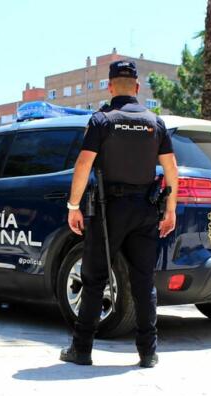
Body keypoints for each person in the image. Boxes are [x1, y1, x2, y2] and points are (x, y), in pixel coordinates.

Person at [60, 60, 179, 368]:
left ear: (110, 86)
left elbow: (84, 165)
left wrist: (73, 206)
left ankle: (82, 349)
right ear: (137, 88)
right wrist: (171, 209)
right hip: (145, 210)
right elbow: (171, 170)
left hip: (108, 208)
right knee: (143, 282)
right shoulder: (156, 122)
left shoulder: (103, 120)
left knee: (95, 277)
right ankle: (147, 353)